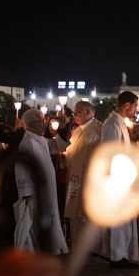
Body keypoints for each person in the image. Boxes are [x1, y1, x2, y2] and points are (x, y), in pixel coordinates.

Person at [94, 90, 139, 269]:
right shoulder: (112, 124)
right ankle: (116, 255)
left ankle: (120, 254)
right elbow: (110, 152)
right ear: (126, 105)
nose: (136, 109)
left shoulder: (119, 122)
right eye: (135, 105)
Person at [14, 109, 70, 255]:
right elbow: (22, 171)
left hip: (46, 192)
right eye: (41, 121)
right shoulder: (28, 143)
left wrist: (62, 127)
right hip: (35, 196)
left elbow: (57, 145)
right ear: (31, 125)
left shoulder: (40, 140)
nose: (45, 123)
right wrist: (26, 195)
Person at [63, 101, 103, 244]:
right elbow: (71, 150)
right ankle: (76, 242)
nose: (74, 116)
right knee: (75, 211)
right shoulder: (78, 130)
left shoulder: (99, 129)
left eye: (77, 113)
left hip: (88, 178)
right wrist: (65, 156)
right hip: (75, 177)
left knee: (86, 211)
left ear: (88, 112)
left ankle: (90, 245)